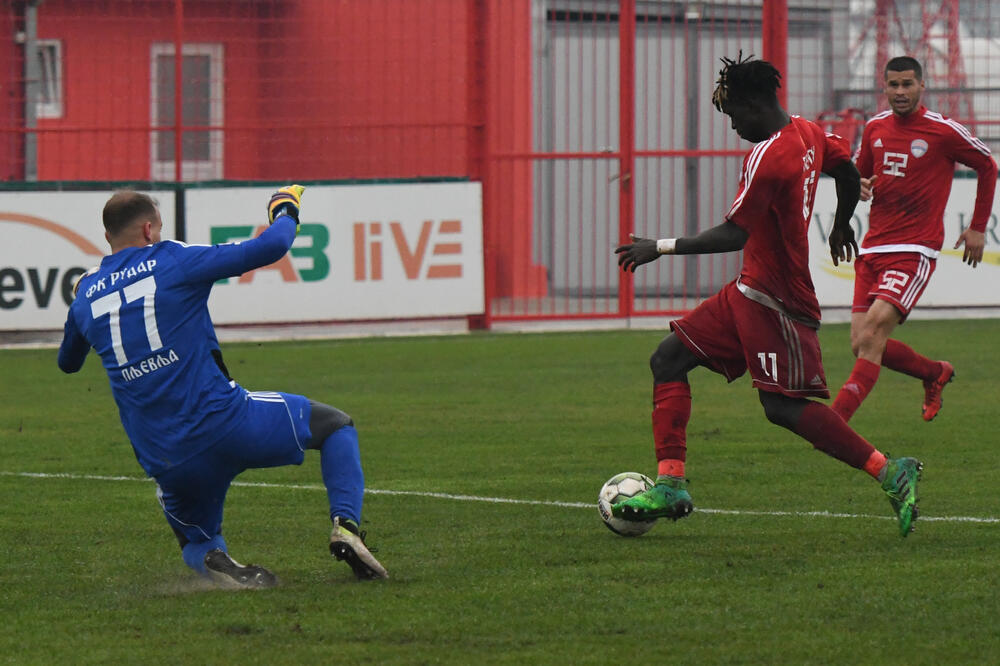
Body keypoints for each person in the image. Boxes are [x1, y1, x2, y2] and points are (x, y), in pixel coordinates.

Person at [613, 54, 922, 537]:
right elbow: (844, 171)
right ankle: (671, 485)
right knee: (668, 359)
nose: (734, 126)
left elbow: (734, 234)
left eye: (735, 115)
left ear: (755, 104)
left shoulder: (768, 155)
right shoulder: (808, 131)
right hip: (747, 290)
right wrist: (841, 223)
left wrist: (661, 246)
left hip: (777, 300)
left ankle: (889, 469)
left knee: (783, 408)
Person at [57, 186, 388, 586]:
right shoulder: (173, 260)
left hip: (167, 459)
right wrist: (285, 208)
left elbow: (68, 363)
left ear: (107, 237)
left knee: (196, 539)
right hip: (228, 423)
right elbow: (272, 247)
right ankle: (346, 526)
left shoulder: (86, 295)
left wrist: (81, 305)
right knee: (335, 426)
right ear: (149, 229)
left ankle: (216, 560)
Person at [831, 56, 997, 424]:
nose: (900, 92)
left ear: (922, 86)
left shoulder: (942, 130)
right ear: (885, 87)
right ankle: (933, 372)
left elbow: (987, 164)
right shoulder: (874, 127)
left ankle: (834, 423)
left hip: (913, 250)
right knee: (862, 343)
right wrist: (858, 184)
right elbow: (861, 175)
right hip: (873, 248)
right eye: (894, 85)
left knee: (874, 332)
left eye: (908, 84)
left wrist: (978, 227)